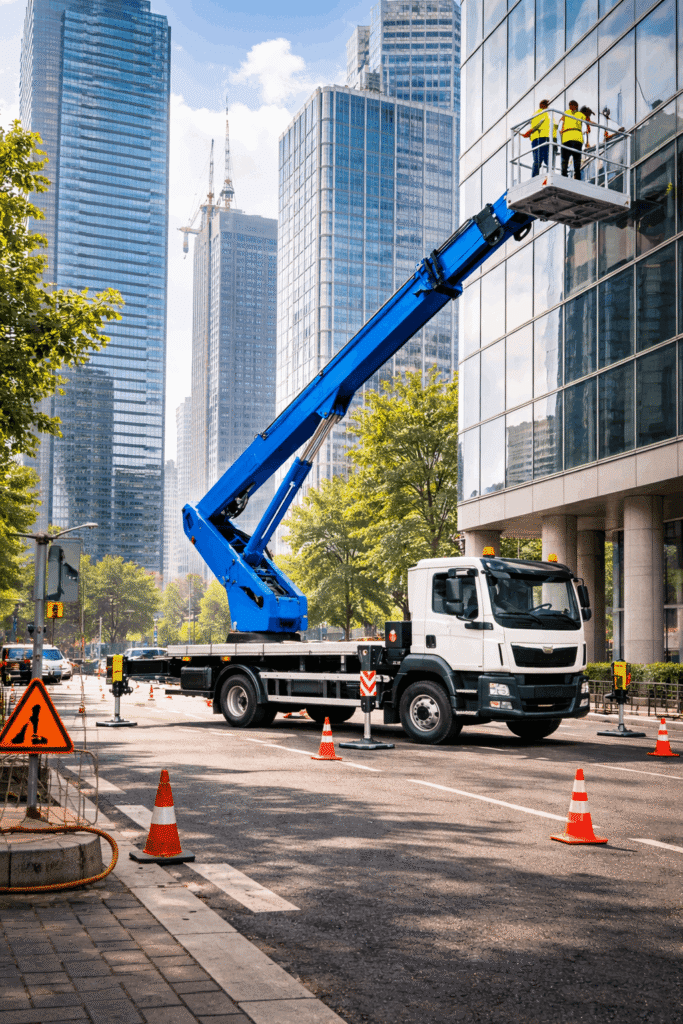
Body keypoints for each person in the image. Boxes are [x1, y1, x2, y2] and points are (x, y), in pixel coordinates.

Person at [522, 99, 555, 177]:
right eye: (546, 105)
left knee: (540, 160)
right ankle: (547, 175)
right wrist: (529, 133)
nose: (547, 107)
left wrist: (529, 134)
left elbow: (534, 125)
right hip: (541, 138)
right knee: (542, 160)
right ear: (542, 105)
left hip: (539, 138)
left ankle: (537, 176)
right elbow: (539, 124)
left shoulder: (536, 114)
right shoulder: (543, 113)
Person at [560, 100, 586, 180]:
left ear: (576, 106)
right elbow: (561, 124)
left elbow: (585, 124)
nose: (570, 106)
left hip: (575, 139)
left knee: (575, 161)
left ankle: (576, 177)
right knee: (566, 160)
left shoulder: (580, 114)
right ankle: (564, 176)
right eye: (570, 105)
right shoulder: (566, 113)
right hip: (568, 139)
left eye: (572, 105)